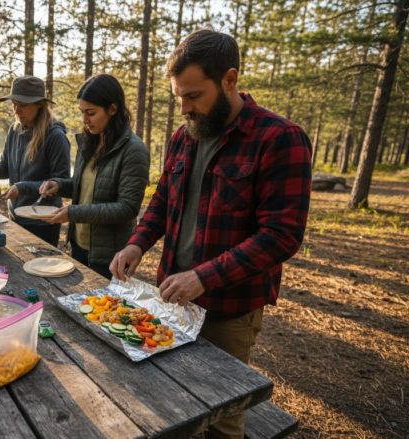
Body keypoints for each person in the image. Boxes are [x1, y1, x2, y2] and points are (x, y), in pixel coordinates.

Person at [109, 29, 312, 439]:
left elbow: (282, 235)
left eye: (194, 96)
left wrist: (203, 276)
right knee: (174, 397)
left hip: (230, 307)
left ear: (230, 80)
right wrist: (137, 243)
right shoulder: (184, 138)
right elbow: (163, 203)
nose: (184, 107)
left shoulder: (279, 138)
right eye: (178, 97)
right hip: (171, 295)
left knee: (222, 411)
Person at [38, 74, 150, 279]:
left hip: (110, 258)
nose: (84, 120)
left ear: (112, 109)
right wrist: (58, 185)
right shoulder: (88, 143)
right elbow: (85, 187)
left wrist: (73, 213)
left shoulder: (134, 150)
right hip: (79, 247)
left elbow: (127, 208)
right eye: (82, 112)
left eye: (91, 113)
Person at [0, 76, 70, 247]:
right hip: (16, 218)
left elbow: (60, 184)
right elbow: (5, 168)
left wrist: (22, 187)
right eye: (14, 105)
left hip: (43, 223)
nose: (17, 111)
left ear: (40, 104)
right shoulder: (15, 129)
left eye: (23, 105)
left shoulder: (55, 136)